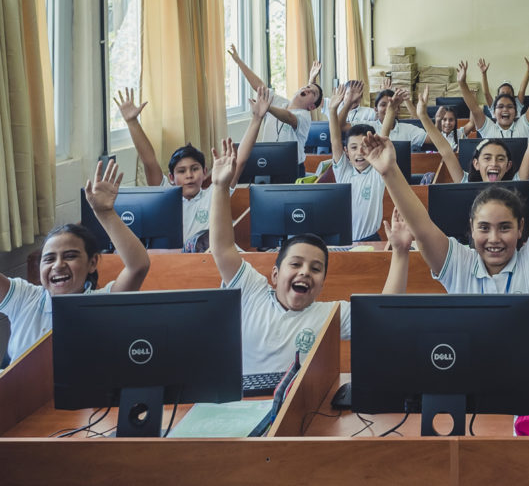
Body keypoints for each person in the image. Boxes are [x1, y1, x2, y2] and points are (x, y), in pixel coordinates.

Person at [363, 89, 529, 372]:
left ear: (520, 230)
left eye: (505, 227)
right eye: (484, 228)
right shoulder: (459, 264)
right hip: (470, 392)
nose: (494, 239)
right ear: (470, 229)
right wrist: (388, 172)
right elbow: (421, 226)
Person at [207, 140, 410, 375]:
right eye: (295, 264)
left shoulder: (328, 315)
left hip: (298, 403)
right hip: (244, 405)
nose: (304, 272)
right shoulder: (253, 291)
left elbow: (383, 315)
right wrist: (220, 188)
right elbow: (222, 248)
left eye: (315, 269)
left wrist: (401, 253)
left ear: (322, 283)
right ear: (275, 274)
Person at [0, 162, 150, 364]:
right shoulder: (24, 297)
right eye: (49, 259)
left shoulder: (102, 303)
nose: (58, 265)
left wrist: (105, 213)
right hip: (21, 394)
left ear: (92, 263)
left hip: (82, 394)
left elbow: (138, 266)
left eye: (70, 256)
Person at [114, 87, 266, 249]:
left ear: (205, 172)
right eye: (181, 171)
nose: (189, 175)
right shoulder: (164, 195)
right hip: (180, 264)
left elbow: (240, 161)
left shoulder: (215, 194)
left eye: (195, 169)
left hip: (213, 258)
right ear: (171, 178)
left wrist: (256, 119)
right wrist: (132, 122)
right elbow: (149, 161)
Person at [416, 82, 529, 183]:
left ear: (508, 165)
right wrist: (423, 115)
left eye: (500, 159)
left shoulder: (516, 181)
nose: (493, 163)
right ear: (476, 164)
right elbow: (446, 151)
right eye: (487, 158)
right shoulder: (466, 183)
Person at [308, 84, 388, 242]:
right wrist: (332, 110)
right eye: (353, 148)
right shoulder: (343, 170)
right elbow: (335, 139)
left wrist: (390, 110)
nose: (359, 152)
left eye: (364, 146)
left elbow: (384, 137)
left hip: (370, 239)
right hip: (345, 240)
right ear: (346, 152)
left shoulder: (377, 172)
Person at [228, 44, 322, 167]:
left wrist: (267, 107)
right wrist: (238, 61)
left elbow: (288, 117)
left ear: (311, 107)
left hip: (292, 166)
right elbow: (260, 86)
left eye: (313, 93)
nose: (308, 89)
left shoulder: (304, 116)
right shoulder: (281, 102)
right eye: (308, 87)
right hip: (267, 161)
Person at [457, 57, 529, 139]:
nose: (505, 109)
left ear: (516, 111)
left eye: (510, 106)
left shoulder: (523, 125)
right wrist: (462, 83)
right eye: (500, 106)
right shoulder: (488, 128)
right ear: (494, 112)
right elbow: (474, 109)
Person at [336, 81, 429, 152]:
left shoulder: (409, 129)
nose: (389, 108)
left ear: (398, 109)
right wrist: (349, 102)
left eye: (392, 105)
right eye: (383, 105)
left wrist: (422, 114)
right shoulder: (367, 126)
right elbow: (340, 126)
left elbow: (434, 140)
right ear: (375, 109)